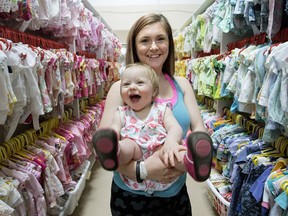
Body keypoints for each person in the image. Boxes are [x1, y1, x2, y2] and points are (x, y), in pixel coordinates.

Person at [96, 13, 213, 216]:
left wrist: (183, 162)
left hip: (174, 195)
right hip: (129, 194)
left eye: (160, 39)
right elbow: (104, 148)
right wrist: (142, 170)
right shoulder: (120, 89)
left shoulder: (182, 85)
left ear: (169, 43)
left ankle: (192, 164)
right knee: (122, 147)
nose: (153, 47)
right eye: (145, 41)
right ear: (134, 46)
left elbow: (199, 131)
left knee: (183, 151)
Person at [93, 62, 188, 192]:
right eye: (126, 84)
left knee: (174, 153)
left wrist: (171, 142)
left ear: (154, 91)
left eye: (140, 83)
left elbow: (174, 128)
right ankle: (113, 152)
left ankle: (192, 161)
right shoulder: (121, 113)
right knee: (127, 145)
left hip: (159, 153)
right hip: (134, 156)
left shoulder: (162, 109)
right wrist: (111, 140)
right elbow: (113, 130)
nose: (132, 87)